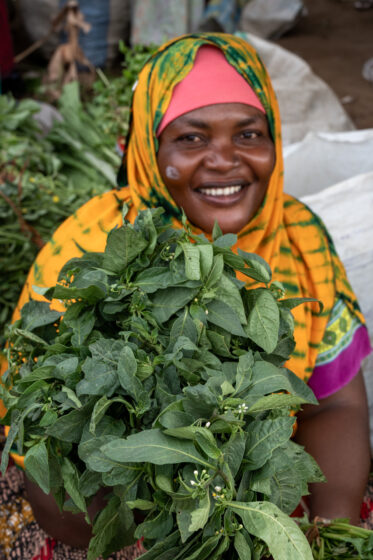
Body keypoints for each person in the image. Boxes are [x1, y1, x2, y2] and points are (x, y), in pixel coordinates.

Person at [1, 32, 372, 558]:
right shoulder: (91, 251)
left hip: (259, 494)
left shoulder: (299, 240)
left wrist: (329, 530)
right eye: (192, 139)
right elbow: (54, 473)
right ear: (150, 153)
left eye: (249, 134)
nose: (225, 160)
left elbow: (335, 406)